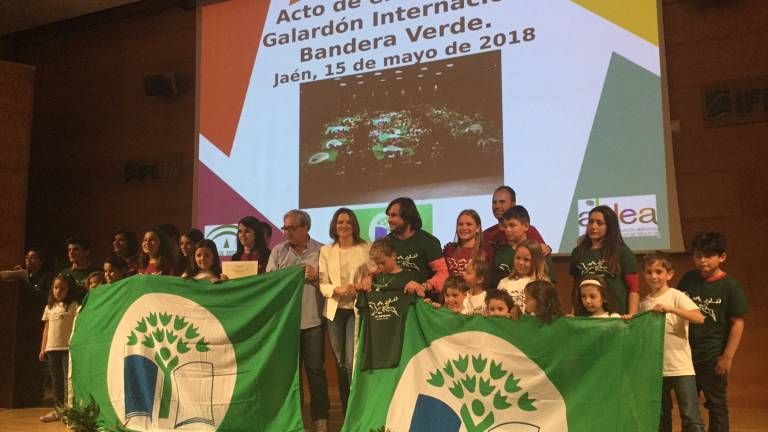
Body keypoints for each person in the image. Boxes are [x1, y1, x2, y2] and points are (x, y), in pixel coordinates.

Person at [266, 210, 329, 432]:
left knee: (315, 371)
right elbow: (270, 283)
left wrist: (315, 277)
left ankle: (321, 420)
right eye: (285, 228)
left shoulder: (322, 250)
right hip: (286, 323)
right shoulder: (278, 252)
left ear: (306, 228)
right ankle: (295, 420)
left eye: (292, 228)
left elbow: (331, 283)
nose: (287, 232)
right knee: (291, 375)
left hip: (313, 321)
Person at [678, 231, 748, 432]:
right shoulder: (688, 278)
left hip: (712, 356)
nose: (702, 261)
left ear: (722, 257)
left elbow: (738, 323)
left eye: (708, 256)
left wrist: (727, 356)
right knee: (689, 406)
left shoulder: (730, 286)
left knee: (716, 404)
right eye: (698, 256)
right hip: (686, 354)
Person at [639, 252, 706, 432]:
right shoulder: (644, 303)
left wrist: (671, 309)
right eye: (649, 272)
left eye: (659, 271)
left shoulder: (676, 296)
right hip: (656, 369)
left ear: (669, 274)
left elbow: (699, 318)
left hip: (680, 367)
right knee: (660, 415)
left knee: (691, 415)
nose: (654, 276)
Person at [319, 208, 371, 414]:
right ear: (334, 225)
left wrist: (365, 283)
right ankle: (346, 407)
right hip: (334, 311)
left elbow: (374, 275)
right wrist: (338, 289)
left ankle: (356, 409)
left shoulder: (366, 247)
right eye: (340, 222)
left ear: (354, 225)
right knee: (340, 362)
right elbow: (323, 283)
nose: (344, 225)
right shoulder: (326, 250)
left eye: (348, 222)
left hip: (356, 310)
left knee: (351, 361)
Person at [357, 238, 421, 370]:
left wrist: (417, 287)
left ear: (393, 255)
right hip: (378, 336)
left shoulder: (408, 278)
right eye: (376, 263)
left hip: (400, 335)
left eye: (383, 262)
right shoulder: (374, 278)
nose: (380, 267)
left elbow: (419, 302)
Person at [570, 205, 639, 315]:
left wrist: (632, 315)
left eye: (600, 223)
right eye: (590, 222)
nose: (593, 226)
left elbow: (633, 288)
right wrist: (573, 314)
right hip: (585, 317)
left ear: (609, 226)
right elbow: (576, 288)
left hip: (616, 316)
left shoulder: (622, 252)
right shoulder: (578, 253)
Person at [385, 197, 448, 301]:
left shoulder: (428, 241)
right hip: (393, 303)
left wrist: (424, 286)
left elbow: (443, 273)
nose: (389, 220)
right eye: (389, 215)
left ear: (407, 217)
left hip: (423, 302)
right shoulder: (386, 242)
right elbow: (379, 270)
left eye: (394, 215)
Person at [38, 274, 79, 422]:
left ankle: (69, 411)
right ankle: (58, 410)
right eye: (56, 287)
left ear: (69, 289)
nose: (58, 291)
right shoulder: (49, 307)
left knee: (67, 380)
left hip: (67, 348)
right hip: (52, 348)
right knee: (56, 381)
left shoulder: (74, 306)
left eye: (62, 288)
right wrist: (43, 348)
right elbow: (47, 329)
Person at [493, 206, 554, 284]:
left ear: (526, 226)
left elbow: (549, 283)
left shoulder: (540, 251)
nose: (507, 230)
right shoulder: (500, 253)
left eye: (512, 225)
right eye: (505, 226)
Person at [482, 186, 548, 252]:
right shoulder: (486, 235)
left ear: (513, 204)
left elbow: (542, 255)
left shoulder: (529, 230)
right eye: (494, 202)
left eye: (502, 202)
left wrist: (547, 249)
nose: (497, 206)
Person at [497, 239, 549, 313]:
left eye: (526, 259)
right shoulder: (504, 283)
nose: (521, 263)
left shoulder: (543, 284)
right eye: (518, 258)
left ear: (536, 261)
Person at [443, 209, 494, 276]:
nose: (464, 228)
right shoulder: (449, 250)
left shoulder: (487, 251)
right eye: (460, 224)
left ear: (478, 228)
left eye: (469, 224)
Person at [58, 236, 99, 301]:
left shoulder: (96, 273)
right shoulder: (64, 274)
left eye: (75, 249)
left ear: (86, 252)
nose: (71, 253)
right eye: (69, 250)